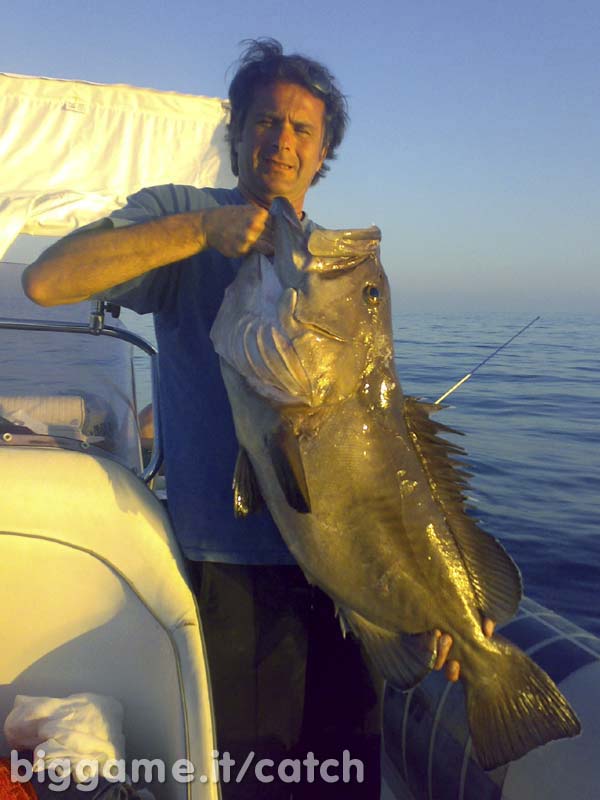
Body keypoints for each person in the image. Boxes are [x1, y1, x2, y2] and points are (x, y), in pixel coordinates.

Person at [23, 39, 491, 799]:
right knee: (251, 776)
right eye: (266, 121)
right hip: (232, 565)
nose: (283, 141)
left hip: (349, 578)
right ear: (236, 133)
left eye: (304, 129)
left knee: (345, 777)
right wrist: (199, 232)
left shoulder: (327, 267)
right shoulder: (181, 215)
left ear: (323, 153)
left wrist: (440, 593)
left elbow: (386, 442)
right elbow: (48, 282)